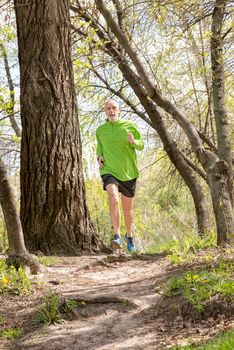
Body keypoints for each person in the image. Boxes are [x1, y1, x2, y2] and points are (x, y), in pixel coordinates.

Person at [96, 99, 144, 251]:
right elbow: (99, 146)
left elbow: (141, 145)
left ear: (119, 110)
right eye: (108, 108)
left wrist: (133, 141)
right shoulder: (101, 130)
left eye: (114, 108)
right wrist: (99, 156)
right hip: (109, 170)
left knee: (128, 211)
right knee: (114, 197)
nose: (111, 111)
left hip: (129, 172)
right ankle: (117, 236)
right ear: (105, 111)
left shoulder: (130, 125)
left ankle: (128, 236)